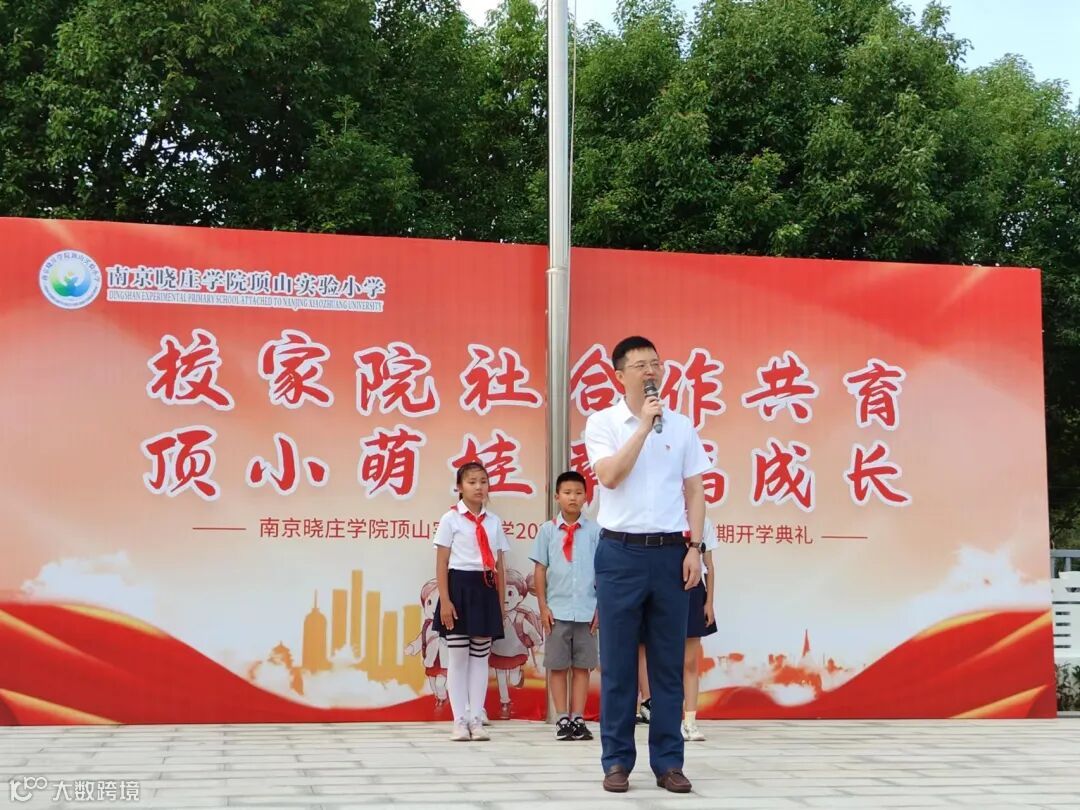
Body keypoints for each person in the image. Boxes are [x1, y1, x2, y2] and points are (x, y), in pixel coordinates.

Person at [585, 336, 709, 794]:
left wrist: (695, 548)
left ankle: (669, 763)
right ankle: (617, 761)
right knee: (618, 665)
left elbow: (695, 490)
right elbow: (610, 476)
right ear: (620, 375)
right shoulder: (603, 423)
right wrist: (641, 427)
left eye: (655, 363)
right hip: (620, 554)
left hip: (671, 553)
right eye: (640, 365)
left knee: (667, 665)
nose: (651, 371)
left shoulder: (681, 426)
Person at [432, 461, 509, 741]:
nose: (479, 487)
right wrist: (445, 600)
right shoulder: (450, 519)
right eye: (472, 482)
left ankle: (476, 719)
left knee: (480, 658)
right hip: (459, 587)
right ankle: (459, 720)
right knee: (458, 657)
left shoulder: (494, 521)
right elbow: (442, 562)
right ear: (459, 487)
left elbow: (500, 565)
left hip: (485, 588)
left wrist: (500, 604)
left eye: (483, 482)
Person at [530, 471, 601, 741]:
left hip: (587, 611)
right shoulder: (547, 531)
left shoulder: (594, 532)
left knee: (582, 667)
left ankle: (578, 717)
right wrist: (543, 606)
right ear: (556, 496)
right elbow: (540, 570)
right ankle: (562, 718)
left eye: (578, 493)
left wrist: (600, 608)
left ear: (586, 497)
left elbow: (603, 572)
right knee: (558, 666)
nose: (573, 498)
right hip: (556, 612)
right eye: (567, 493)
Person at [681, 516, 718, 741]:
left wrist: (709, 602)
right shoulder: (664, 516)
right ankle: (667, 720)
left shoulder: (703, 521)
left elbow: (709, 566)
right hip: (664, 589)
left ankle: (690, 722)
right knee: (665, 663)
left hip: (694, 592)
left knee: (689, 662)